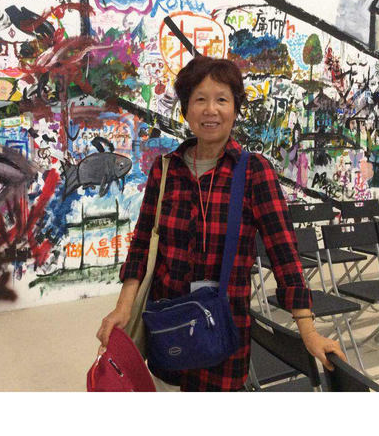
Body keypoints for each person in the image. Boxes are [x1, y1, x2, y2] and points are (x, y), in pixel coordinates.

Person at [96, 55, 345, 391]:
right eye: (199, 99)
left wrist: (308, 331)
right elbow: (142, 245)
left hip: (224, 333)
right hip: (168, 324)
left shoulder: (254, 171)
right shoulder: (166, 170)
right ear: (186, 109)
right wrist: (123, 309)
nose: (210, 110)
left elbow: (284, 254)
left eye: (221, 100)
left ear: (235, 109)